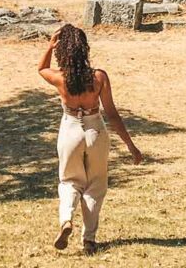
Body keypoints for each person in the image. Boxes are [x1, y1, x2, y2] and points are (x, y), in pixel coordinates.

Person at [38, 24, 142, 255]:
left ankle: (66, 219)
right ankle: (89, 240)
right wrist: (130, 146)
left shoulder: (60, 78)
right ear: (84, 48)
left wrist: (50, 44)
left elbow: (42, 68)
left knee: (69, 180)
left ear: (62, 51)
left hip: (70, 130)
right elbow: (113, 114)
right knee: (95, 184)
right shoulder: (99, 77)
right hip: (95, 130)